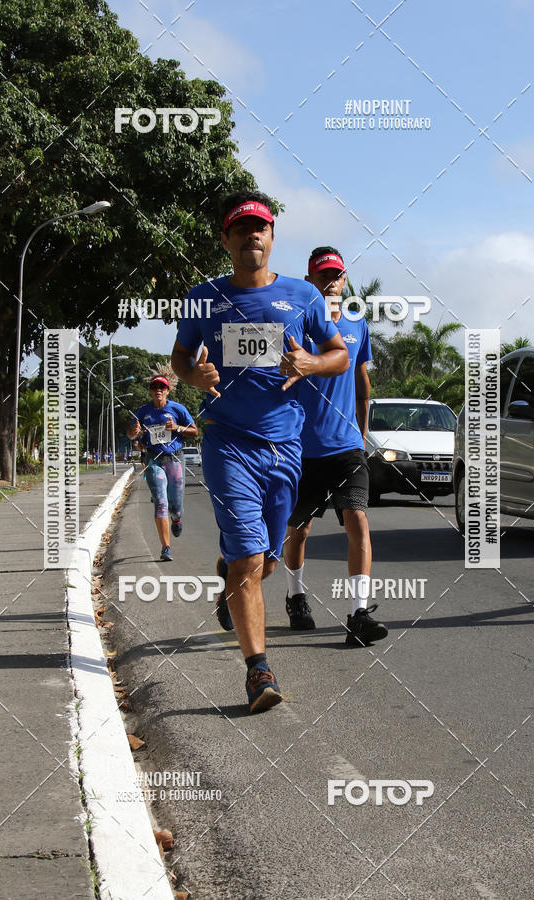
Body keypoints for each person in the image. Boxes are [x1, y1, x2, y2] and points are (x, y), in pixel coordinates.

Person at [171, 191, 348, 713]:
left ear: (272, 236)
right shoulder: (203, 298)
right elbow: (180, 354)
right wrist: (192, 373)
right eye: (241, 227)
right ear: (226, 239)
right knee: (252, 559)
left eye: (261, 226)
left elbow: (338, 353)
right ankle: (258, 672)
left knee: (262, 564)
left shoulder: (304, 296)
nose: (252, 234)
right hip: (227, 442)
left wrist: (311, 365)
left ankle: (227, 566)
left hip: (287, 447)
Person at [283, 247, 388, 646]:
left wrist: (362, 432)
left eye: (337, 275)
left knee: (358, 521)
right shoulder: (296, 321)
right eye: (323, 275)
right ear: (310, 280)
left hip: (346, 446)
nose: (331, 282)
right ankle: (295, 596)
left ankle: (358, 614)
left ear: (345, 280)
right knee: (300, 528)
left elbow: (362, 381)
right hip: (302, 447)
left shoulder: (357, 323)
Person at [127, 375, 198, 561]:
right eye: (155, 386)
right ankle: (166, 547)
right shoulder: (143, 412)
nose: (158, 390)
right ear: (150, 390)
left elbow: (194, 430)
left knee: (175, 505)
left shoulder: (177, 409)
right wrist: (133, 434)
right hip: (153, 460)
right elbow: (131, 433)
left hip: (174, 459)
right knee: (160, 501)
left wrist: (177, 428)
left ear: (167, 390)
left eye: (162, 387)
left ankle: (177, 518)